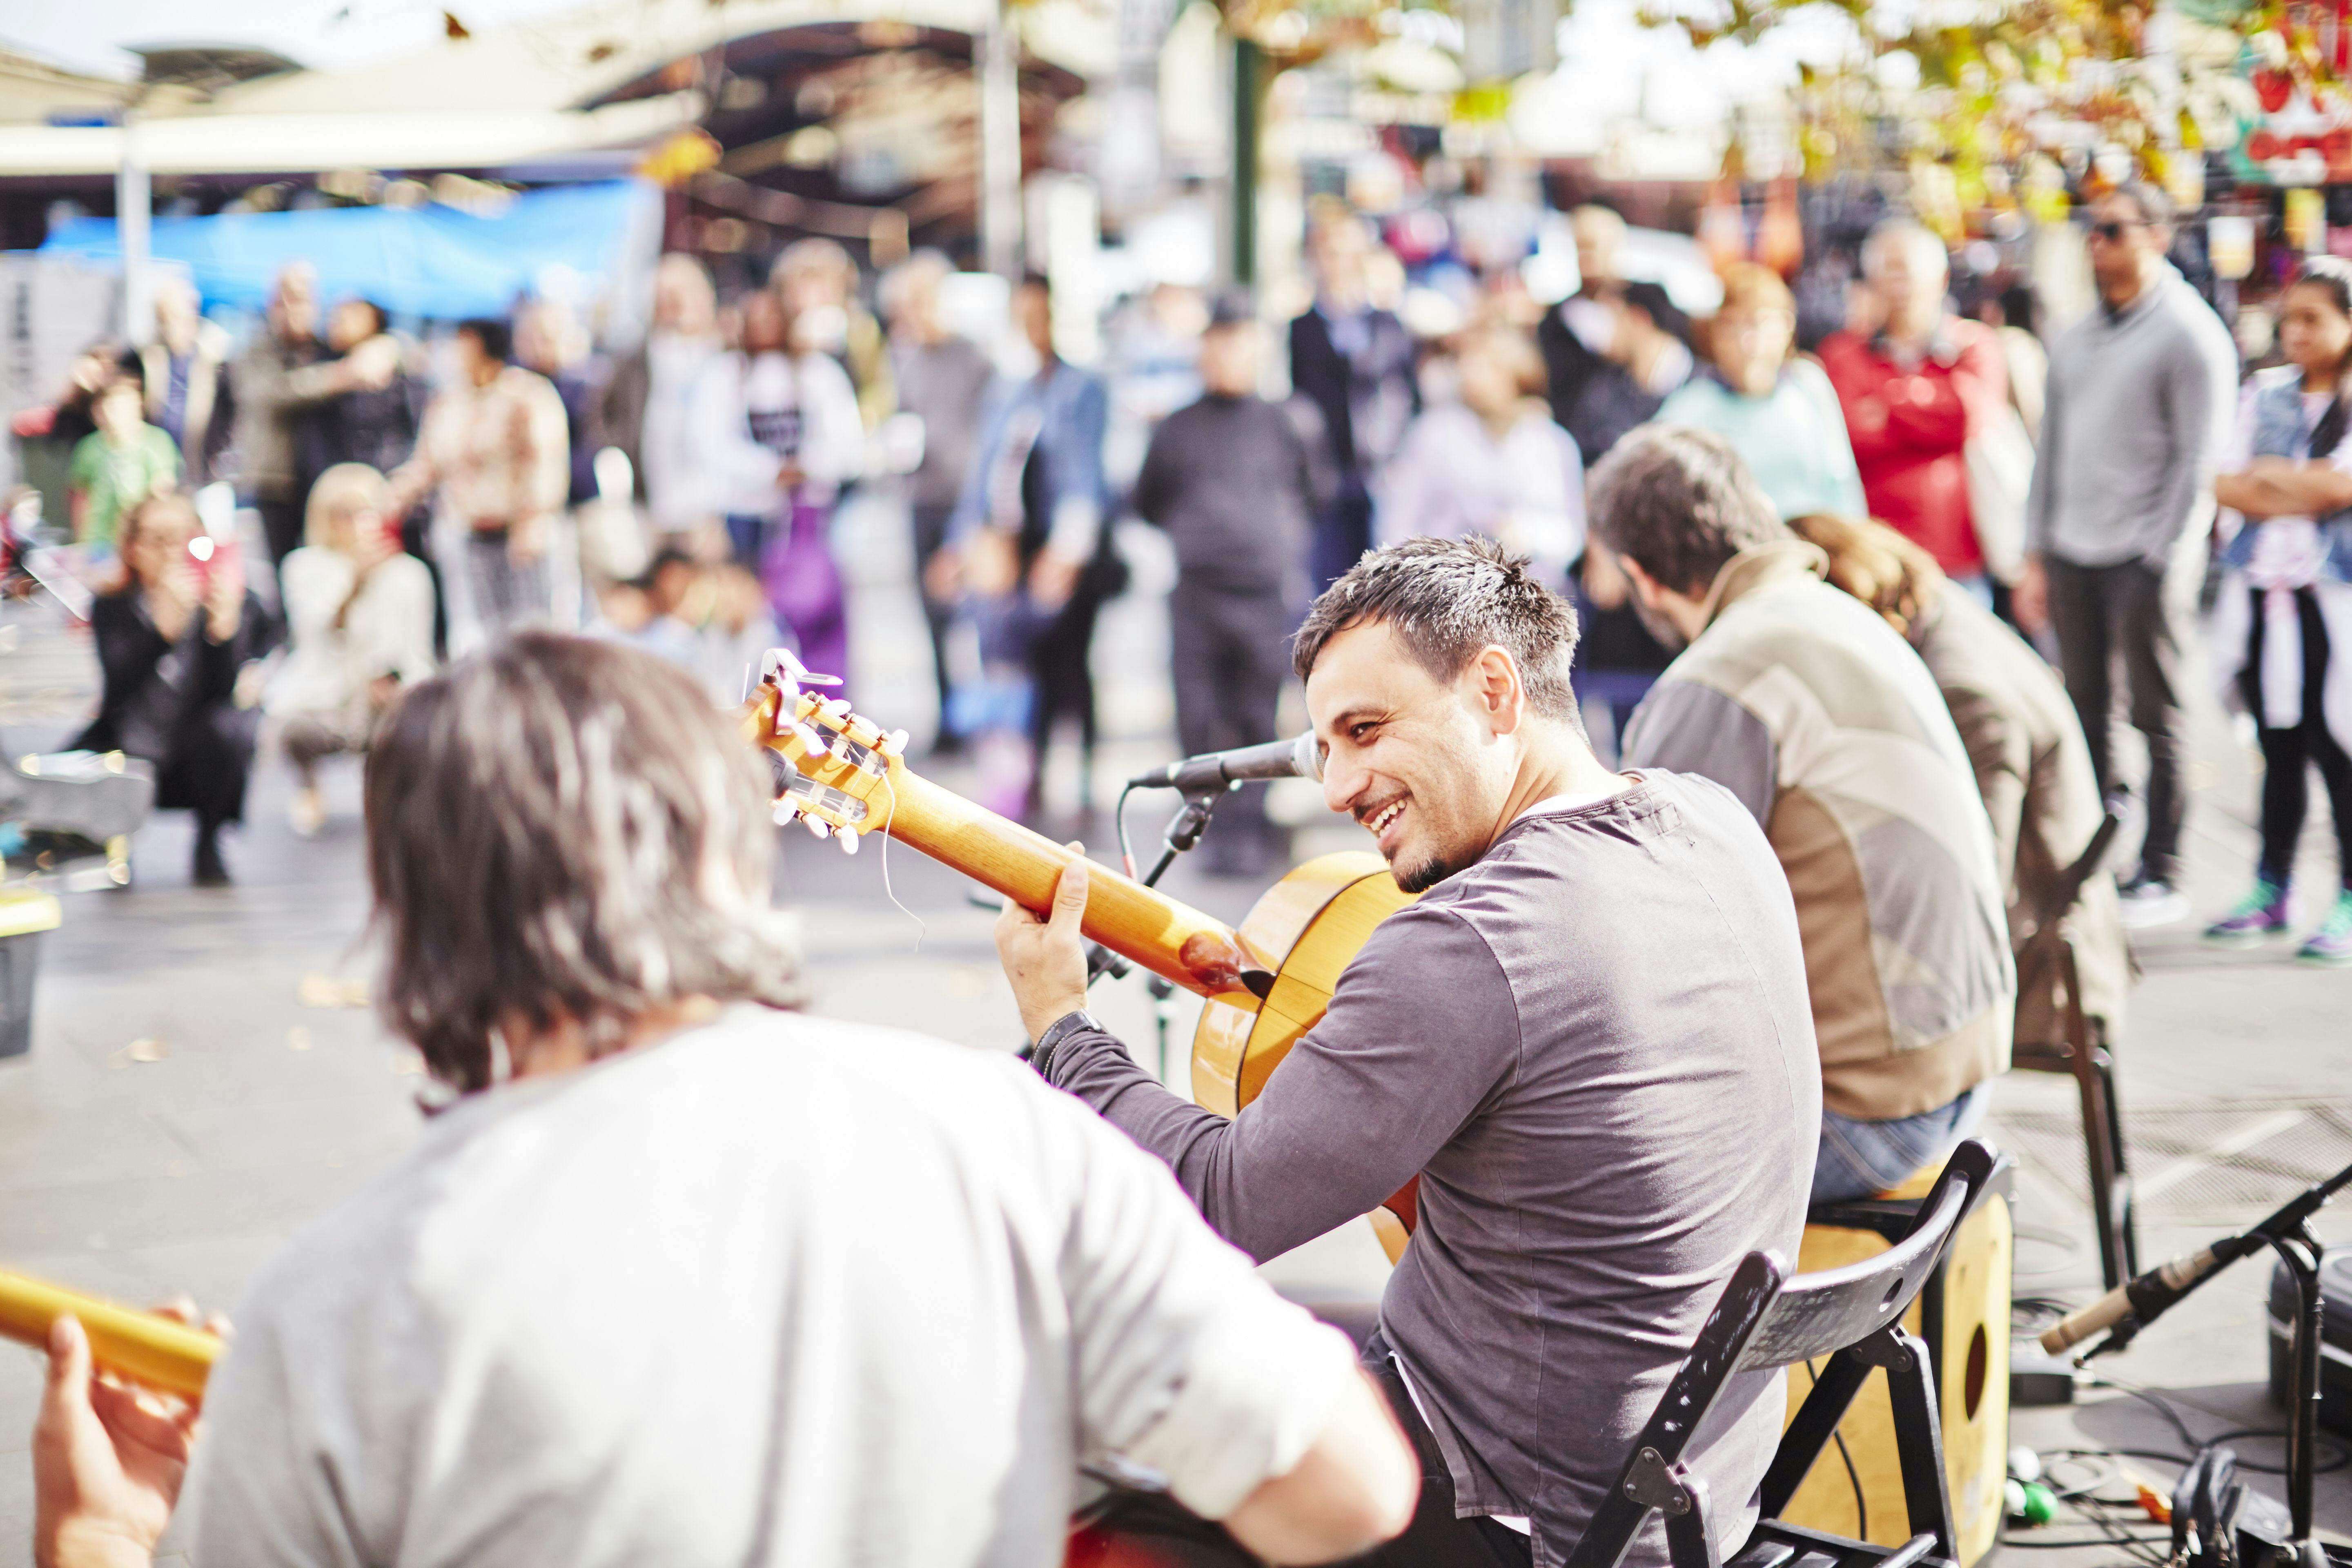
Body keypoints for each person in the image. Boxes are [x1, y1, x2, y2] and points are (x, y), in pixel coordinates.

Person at [31, 632, 1419, 1568]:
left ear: (413, 916)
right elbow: (1349, 1491)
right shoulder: (1007, 1148)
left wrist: (106, 1544)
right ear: (724, 858)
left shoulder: (338, 1309)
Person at [996, 534, 1820, 1565]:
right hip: (1694, 1479)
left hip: (1519, 1505)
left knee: (1065, 1391)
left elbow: (1216, 1203)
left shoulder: (1471, 937)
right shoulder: (1714, 819)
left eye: (1365, 728)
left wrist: (1063, 1029)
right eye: (1323, 745)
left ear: (1491, 690)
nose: (1336, 785)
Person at [1596, 426, 2013, 1203]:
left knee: (1554, 1182)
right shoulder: (1836, 611)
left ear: (1641, 576)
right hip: (1967, 1060)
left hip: (1872, 1114)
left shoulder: (1716, 678)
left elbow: (1645, 937)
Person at [1788, 512, 2129, 1076]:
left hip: (2041, 980)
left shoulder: (1966, 690)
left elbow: (1971, 885)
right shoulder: (1941, 610)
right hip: (2031, 935)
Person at [2014, 183, 2239, 928]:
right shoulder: (2074, 337)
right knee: (2084, 709)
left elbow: (2199, 459)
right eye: (2091, 229)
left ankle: (2165, 863)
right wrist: (2037, 552)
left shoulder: (2189, 333)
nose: (2097, 243)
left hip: (2144, 555)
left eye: (2113, 229)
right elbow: (2051, 449)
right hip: (2074, 546)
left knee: (2158, 708)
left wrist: (2163, 554)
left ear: (2157, 236)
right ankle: (2098, 849)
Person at [1129, 299, 1324, 876]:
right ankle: (1206, 829)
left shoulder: (1291, 420)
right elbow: (1147, 501)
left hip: (1265, 594)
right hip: (1197, 593)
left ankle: (1256, 828)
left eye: (1239, 344)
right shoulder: (1177, 427)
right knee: (1198, 714)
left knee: (1257, 714)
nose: (1226, 358)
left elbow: (1315, 491)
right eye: (1216, 344)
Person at [2203, 258, 2352, 964]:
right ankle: (2273, 884)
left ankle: (2346, 893)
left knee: (2338, 743)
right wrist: (2303, 486)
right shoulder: (2264, 394)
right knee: (2278, 744)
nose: (2295, 332)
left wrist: (2284, 479)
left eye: (2313, 319)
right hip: (2266, 595)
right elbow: (2229, 485)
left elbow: (2342, 487)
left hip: (2335, 600)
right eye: (2289, 317)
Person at [943, 274, 1120, 820]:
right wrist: (964, 542)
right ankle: (1035, 777)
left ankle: (1086, 779)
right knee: (1031, 666)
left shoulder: (1082, 386)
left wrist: (1067, 550)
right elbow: (985, 473)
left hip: (1065, 550)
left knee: (1074, 665)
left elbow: (1085, 476)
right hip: (1018, 547)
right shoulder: (1008, 390)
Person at [72, 492, 274, 886]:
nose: (173, 552)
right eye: (158, 539)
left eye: (186, 538)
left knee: (237, 727)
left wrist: (223, 637)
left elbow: (225, 693)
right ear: (132, 548)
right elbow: (118, 689)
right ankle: (116, 842)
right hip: (130, 741)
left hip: (191, 746)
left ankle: (210, 841)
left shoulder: (227, 601)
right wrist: (162, 635)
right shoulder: (113, 606)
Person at [681, 288, 864, 686]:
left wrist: (806, 468)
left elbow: (846, 441)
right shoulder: (724, 375)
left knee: (811, 612)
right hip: (744, 518)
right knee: (748, 619)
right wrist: (769, 471)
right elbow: (708, 442)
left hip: (808, 521)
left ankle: (820, 705)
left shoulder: (819, 373)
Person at [1816, 223, 2009, 597]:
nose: (1899, 284)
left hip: (1958, 559)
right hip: (1871, 559)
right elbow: (1849, 432)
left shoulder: (1973, 345)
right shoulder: (1842, 353)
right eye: (1889, 271)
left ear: (1941, 279)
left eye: (1909, 271)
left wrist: (1887, 405)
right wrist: (1928, 412)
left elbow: (1969, 417)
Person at [265, 463, 436, 839]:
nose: (359, 523)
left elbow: (416, 649)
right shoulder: (305, 566)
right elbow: (315, 634)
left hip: (382, 699)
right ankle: (309, 788)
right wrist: (354, 584)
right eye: (346, 513)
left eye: (368, 511)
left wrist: (396, 681)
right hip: (327, 695)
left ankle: (391, 793)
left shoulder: (409, 574)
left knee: (410, 719)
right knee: (295, 730)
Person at [389, 318, 570, 651]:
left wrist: (532, 520)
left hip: (520, 539)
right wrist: (394, 493)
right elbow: (429, 461)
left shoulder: (526, 395)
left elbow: (545, 461)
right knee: (481, 635)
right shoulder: (448, 402)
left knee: (534, 632)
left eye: (463, 345)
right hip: (469, 535)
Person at [883, 249, 997, 748]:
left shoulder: (975, 359)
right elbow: (901, 420)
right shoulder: (906, 359)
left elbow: (991, 439)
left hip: (964, 503)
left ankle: (982, 714)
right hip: (921, 498)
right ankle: (949, 715)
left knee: (973, 613)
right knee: (931, 616)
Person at [1660, 263, 1866, 521]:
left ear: (1787, 328)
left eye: (1760, 324)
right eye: (1732, 327)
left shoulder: (1809, 385)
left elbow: (1842, 481)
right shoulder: (1691, 408)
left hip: (1816, 545)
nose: (1748, 342)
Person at [1376, 326, 1583, 584]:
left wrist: (1527, 534)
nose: (1471, 375)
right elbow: (1397, 520)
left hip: (1528, 596)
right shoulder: (1433, 434)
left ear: (1517, 375)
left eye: (1487, 367)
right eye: (1468, 364)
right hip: (1442, 592)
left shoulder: (1550, 443)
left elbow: (1571, 534)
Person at [230, 263, 399, 570]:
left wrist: (385, 348)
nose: (293, 309)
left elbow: (387, 355)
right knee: (283, 573)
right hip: (276, 485)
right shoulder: (255, 353)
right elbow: (274, 394)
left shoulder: (327, 348)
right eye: (285, 299)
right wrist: (339, 377)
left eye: (302, 298)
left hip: (325, 483)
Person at [1290, 212, 1417, 591]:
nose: (1339, 263)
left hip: (1382, 476)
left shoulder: (1389, 326)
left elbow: (1408, 398)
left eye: (1348, 253)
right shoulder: (1301, 329)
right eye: (1329, 252)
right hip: (1324, 480)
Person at [602, 254, 726, 534]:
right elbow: (604, 416)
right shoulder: (634, 361)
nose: (676, 305)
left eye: (684, 293)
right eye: (666, 297)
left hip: (720, 508)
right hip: (651, 505)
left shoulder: (730, 355)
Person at [1560, 279, 1693, 466]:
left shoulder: (1708, 387)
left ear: (1638, 320)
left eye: (1613, 319)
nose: (1602, 333)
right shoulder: (1603, 392)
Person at [775, 236, 895, 430]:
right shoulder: (776, 329)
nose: (813, 294)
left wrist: (860, 420)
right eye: (804, 284)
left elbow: (880, 389)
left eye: (823, 283)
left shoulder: (860, 329)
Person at [1536, 204, 1632, 432]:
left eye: (1592, 246)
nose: (1585, 256)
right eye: (1579, 247)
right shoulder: (1557, 319)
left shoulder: (1646, 303)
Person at [135, 276, 234, 486]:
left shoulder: (216, 358)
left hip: (205, 470)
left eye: (177, 316)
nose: (171, 325)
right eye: (164, 318)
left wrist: (221, 455)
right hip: (159, 473)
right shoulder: (146, 358)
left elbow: (233, 411)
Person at [67, 376, 179, 557]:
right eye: (109, 407)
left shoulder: (156, 442)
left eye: (121, 407)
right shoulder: (89, 447)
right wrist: (82, 540)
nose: (114, 414)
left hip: (140, 540)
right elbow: (81, 496)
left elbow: (162, 490)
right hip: (101, 540)